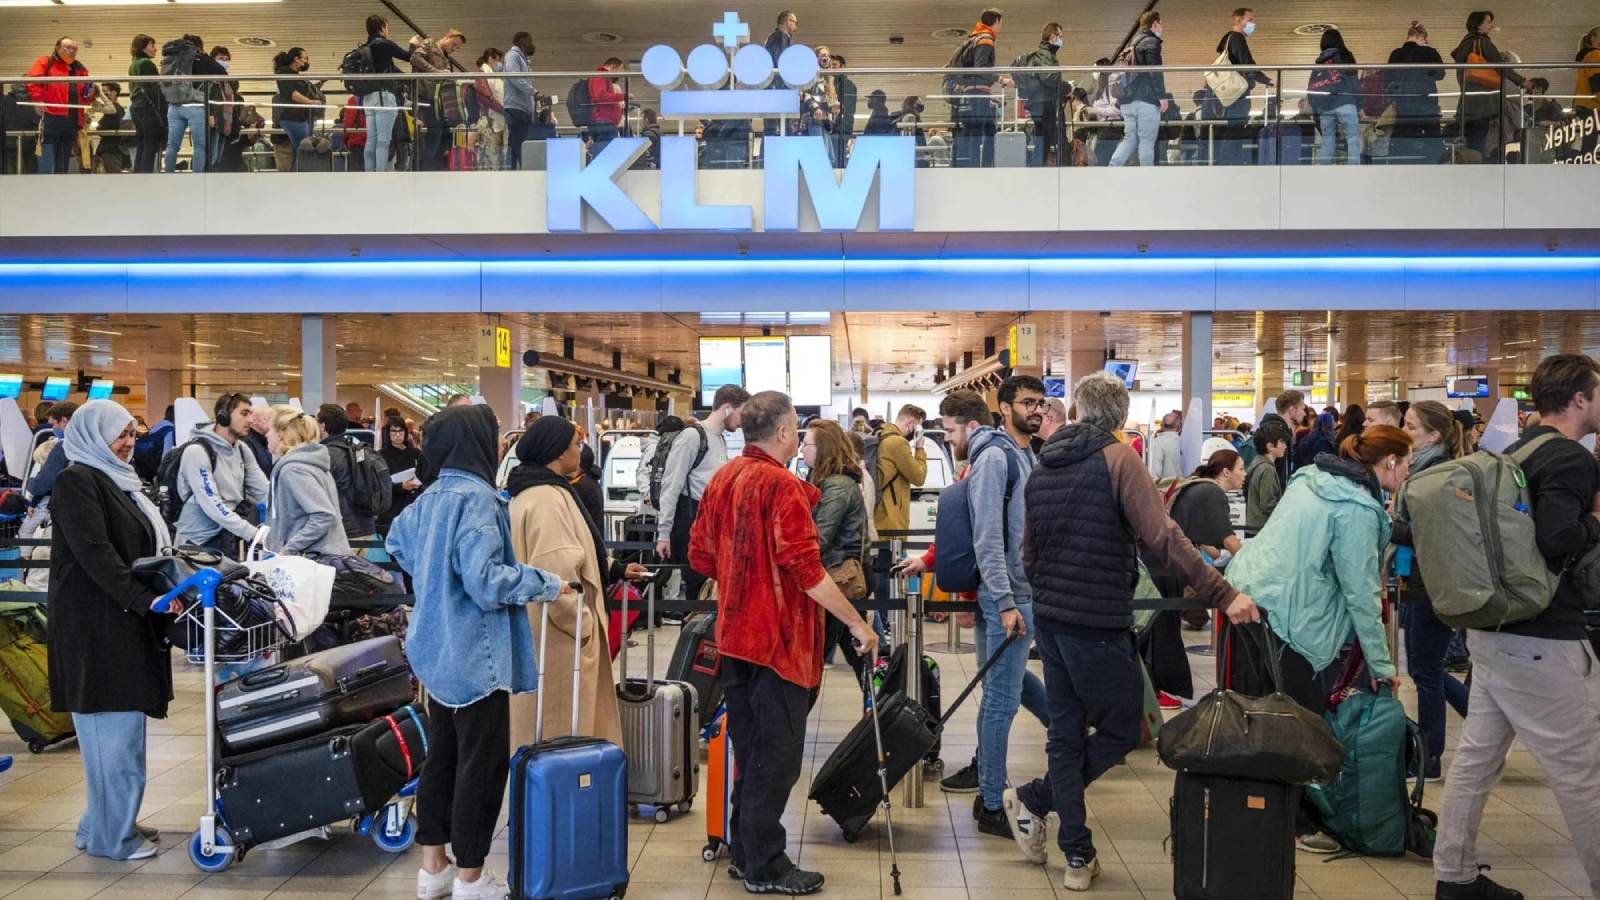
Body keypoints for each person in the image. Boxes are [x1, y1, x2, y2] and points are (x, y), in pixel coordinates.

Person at [1005, 372, 1258, 890]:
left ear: (1075, 411)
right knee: (1125, 729)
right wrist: (1223, 593)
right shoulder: (1119, 460)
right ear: (1120, 418)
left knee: (1066, 732)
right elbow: (1163, 538)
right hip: (1097, 619)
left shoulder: (1043, 466)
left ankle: (1075, 853)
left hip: (1051, 619)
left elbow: (1028, 552)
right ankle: (1037, 800)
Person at [688, 391, 878, 896]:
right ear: (782, 433)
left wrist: (741, 576)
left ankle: (744, 850)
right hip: (779, 642)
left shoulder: (723, 478)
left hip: (733, 636)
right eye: (795, 425)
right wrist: (858, 625)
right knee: (778, 757)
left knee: (750, 749)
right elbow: (808, 572)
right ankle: (766, 865)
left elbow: (700, 556)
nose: (798, 433)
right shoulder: (784, 488)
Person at [1432, 355, 1600, 900]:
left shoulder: (1515, 449)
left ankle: (1454, 875)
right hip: (1544, 636)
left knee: (1477, 757)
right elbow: (1557, 540)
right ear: (1579, 398)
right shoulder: (1572, 459)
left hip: (1495, 626)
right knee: (1582, 771)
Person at [385, 405, 570, 900]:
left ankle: (433, 868)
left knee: (440, 758)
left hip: (433, 649)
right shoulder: (479, 500)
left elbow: (396, 542)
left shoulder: (428, 498)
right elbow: (486, 582)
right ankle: (470, 876)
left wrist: (432, 576)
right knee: (480, 765)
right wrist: (546, 583)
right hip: (477, 655)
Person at [1223, 425, 1411, 854]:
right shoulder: (1357, 509)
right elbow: (1362, 593)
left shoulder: (1311, 478)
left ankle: (1259, 812)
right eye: (1408, 461)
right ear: (1391, 462)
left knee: (1261, 717)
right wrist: (1383, 667)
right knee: (1300, 727)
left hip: (1252, 600)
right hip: (1295, 621)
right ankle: (1298, 822)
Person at [48, 400, 177, 861]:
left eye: (132, 435)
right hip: (96, 628)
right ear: (92, 435)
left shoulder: (117, 482)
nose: (129, 444)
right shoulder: (75, 482)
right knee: (112, 737)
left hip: (119, 621)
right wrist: (145, 599)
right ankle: (112, 838)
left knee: (119, 736)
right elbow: (96, 554)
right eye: (120, 435)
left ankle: (100, 824)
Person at [506, 417, 648, 752]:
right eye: (574, 444)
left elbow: (575, 549)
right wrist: (583, 625)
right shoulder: (548, 499)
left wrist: (613, 569)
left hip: (547, 632)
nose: (579, 451)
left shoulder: (535, 492)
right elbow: (557, 569)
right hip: (559, 641)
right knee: (565, 733)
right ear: (556, 453)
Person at [938, 382, 1041, 838]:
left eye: (1040, 403)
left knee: (1006, 685)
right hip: (1009, 596)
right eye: (1028, 403)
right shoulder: (996, 459)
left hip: (1013, 593)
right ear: (1003, 410)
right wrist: (1004, 601)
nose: (947, 438)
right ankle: (992, 802)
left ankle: (1064, 736)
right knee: (1001, 698)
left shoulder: (1014, 455)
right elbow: (988, 538)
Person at [1387, 401, 1470, 783]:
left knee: (1426, 673)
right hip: (1421, 580)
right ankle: (1489, 718)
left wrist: (1385, 525)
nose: (1405, 431)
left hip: (1431, 584)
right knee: (1429, 668)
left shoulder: (1434, 476)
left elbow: (1427, 535)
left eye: (1411, 426)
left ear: (1434, 435)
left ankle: (1430, 758)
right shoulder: (1425, 472)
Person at [1145, 448, 1246, 708]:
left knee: (1158, 629)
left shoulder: (1196, 487)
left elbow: (1204, 542)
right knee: (1163, 632)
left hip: (1157, 560)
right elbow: (1229, 540)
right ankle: (1155, 691)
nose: (1244, 475)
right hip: (1164, 565)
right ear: (1226, 471)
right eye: (1241, 469)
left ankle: (1153, 690)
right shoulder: (1211, 493)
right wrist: (1252, 562)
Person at [655, 385, 748, 601]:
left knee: (707, 594)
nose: (742, 421)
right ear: (727, 408)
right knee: (696, 594)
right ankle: (691, 635)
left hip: (711, 526)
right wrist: (664, 534)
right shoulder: (692, 437)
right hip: (691, 525)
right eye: (741, 413)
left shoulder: (719, 439)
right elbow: (671, 485)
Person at [800, 420, 871, 679]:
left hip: (840, 577)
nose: (801, 449)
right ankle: (879, 708)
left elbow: (820, 537)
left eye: (806, 443)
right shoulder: (829, 482)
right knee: (858, 654)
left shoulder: (837, 486)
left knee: (823, 657)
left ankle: (881, 709)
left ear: (823, 448)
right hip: (839, 576)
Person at [174, 393, 267, 557]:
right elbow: (212, 505)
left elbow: (264, 491)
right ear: (222, 417)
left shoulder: (241, 450)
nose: (251, 420)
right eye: (244, 414)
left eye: (251, 414)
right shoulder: (197, 452)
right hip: (197, 543)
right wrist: (252, 533)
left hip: (227, 537)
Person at [262, 407, 351, 557]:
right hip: (323, 558)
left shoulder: (294, 469)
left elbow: (324, 515)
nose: (266, 435)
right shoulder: (312, 463)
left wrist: (289, 549)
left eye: (269, 430)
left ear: (281, 434)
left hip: (309, 561)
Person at [873, 404, 929, 600]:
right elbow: (919, 476)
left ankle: (883, 620)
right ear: (911, 423)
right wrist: (920, 449)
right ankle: (886, 621)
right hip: (891, 519)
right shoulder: (897, 443)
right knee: (886, 574)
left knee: (881, 570)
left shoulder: (880, 436)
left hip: (880, 517)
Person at [1451, 11, 1524, 163]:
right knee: (1479, 140)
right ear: (1479, 24)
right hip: (1482, 101)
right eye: (1488, 22)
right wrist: (1521, 81)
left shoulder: (1463, 45)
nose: (1490, 26)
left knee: (1472, 140)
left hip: (1468, 102)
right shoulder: (1481, 41)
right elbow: (1499, 65)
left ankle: (1472, 168)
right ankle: (1479, 173)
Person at [1213, 8, 1273, 166]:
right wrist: (1265, 79)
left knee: (1233, 131)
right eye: (1250, 20)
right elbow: (1246, 63)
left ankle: (1228, 165)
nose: (1253, 23)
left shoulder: (1228, 39)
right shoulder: (1237, 38)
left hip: (1229, 95)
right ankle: (1229, 167)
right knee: (1235, 131)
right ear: (1239, 21)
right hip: (1237, 94)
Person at [26, 37, 93, 175]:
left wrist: (90, 95)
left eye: (74, 48)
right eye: (68, 47)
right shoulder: (45, 62)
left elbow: (85, 97)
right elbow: (32, 80)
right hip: (51, 116)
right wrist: (38, 100)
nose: (72, 51)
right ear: (57, 48)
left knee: (64, 157)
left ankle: (61, 187)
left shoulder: (81, 69)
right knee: (47, 154)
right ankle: (45, 187)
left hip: (73, 120)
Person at [1110, 12, 1168, 168]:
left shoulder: (1133, 43)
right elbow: (1155, 72)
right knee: (1147, 141)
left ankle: (1112, 169)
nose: (1161, 28)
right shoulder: (1151, 42)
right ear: (1154, 24)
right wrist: (1161, 97)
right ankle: (1147, 178)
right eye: (1160, 24)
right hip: (1146, 102)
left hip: (1127, 101)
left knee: (1130, 139)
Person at [358, 15, 414, 173]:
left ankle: (369, 173)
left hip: (368, 98)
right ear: (382, 27)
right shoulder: (384, 44)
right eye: (387, 27)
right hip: (384, 97)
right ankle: (380, 175)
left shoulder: (365, 47)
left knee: (371, 139)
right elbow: (408, 57)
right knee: (383, 141)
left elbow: (391, 69)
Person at [317, 404, 379, 543]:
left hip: (344, 533)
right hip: (365, 526)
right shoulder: (355, 449)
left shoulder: (325, 455)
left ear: (323, 426)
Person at [1387, 21, 1447, 165]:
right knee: (1433, 139)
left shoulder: (1396, 54)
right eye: (1424, 40)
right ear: (1421, 37)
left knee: (1402, 140)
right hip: (1426, 103)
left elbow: (1388, 77)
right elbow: (1440, 74)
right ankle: (1435, 169)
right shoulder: (1429, 52)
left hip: (1404, 105)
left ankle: (1402, 170)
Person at [951, 8, 1004, 168]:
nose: (1001, 26)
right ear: (995, 21)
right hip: (978, 92)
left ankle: (984, 167)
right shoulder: (986, 40)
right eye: (1001, 22)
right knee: (977, 133)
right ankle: (975, 170)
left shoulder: (975, 38)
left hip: (975, 92)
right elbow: (981, 67)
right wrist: (1001, 79)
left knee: (989, 130)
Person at [411, 29, 466, 172]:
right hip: (425, 96)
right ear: (448, 36)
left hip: (437, 100)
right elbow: (415, 58)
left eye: (457, 48)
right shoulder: (430, 44)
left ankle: (432, 169)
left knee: (439, 135)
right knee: (432, 135)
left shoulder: (446, 58)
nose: (454, 49)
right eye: (454, 44)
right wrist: (437, 72)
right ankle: (426, 170)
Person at [1309, 29, 1361, 166]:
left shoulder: (1319, 62)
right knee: (1352, 137)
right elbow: (1353, 80)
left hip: (1326, 106)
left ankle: (1325, 169)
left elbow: (1313, 89)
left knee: (1327, 139)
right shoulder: (1345, 56)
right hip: (1345, 101)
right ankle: (1354, 169)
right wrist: (1359, 104)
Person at [1015, 23, 1064, 167]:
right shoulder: (1045, 54)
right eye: (1061, 36)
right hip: (1045, 103)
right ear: (1053, 37)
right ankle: (1065, 172)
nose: (1062, 40)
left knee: (1042, 141)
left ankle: (1038, 172)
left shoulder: (1042, 53)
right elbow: (1048, 77)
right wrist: (1065, 85)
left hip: (1037, 103)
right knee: (1057, 139)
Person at [273, 48, 320, 171]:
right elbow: (292, 94)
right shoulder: (284, 73)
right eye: (304, 58)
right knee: (303, 149)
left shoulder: (296, 76)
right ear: (296, 59)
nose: (306, 61)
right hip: (292, 118)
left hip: (301, 117)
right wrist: (311, 102)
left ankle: (295, 178)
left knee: (298, 151)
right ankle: (298, 179)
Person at [379, 414, 423, 532]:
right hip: (392, 509)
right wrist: (400, 487)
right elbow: (378, 485)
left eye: (401, 431)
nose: (398, 435)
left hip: (413, 505)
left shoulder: (416, 453)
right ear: (388, 433)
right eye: (393, 431)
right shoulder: (380, 456)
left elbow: (424, 475)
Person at [1245, 418, 1291, 530]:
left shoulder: (1257, 463)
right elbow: (1267, 505)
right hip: (1262, 527)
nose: (1285, 446)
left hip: (1254, 524)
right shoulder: (1267, 470)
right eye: (1282, 442)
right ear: (1270, 446)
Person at [128, 35, 163, 174]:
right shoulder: (146, 64)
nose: (155, 49)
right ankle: (146, 173)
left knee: (142, 142)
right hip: (147, 105)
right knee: (150, 142)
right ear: (143, 47)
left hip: (136, 105)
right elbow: (153, 89)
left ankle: (139, 173)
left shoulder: (133, 64)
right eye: (152, 45)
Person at [470, 48, 507, 171]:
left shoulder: (493, 76)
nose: (499, 64)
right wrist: (504, 110)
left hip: (497, 121)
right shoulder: (482, 75)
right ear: (491, 59)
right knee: (489, 158)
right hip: (488, 123)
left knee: (497, 157)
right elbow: (487, 98)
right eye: (498, 60)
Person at [503, 32, 535, 170]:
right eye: (530, 41)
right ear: (522, 42)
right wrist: (534, 91)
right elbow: (514, 77)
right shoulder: (512, 56)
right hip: (516, 106)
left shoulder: (522, 59)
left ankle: (512, 171)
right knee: (519, 142)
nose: (532, 45)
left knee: (515, 141)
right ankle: (522, 171)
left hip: (522, 107)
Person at [587, 58, 627, 160]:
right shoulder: (601, 76)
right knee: (607, 157)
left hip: (604, 123)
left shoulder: (602, 77)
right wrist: (622, 96)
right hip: (604, 124)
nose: (620, 75)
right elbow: (600, 96)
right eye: (620, 71)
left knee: (606, 156)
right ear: (613, 67)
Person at [830, 53, 857, 164]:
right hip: (833, 128)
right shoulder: (829, 83)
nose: (832, 67)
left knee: (837, 158)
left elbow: (846, 108)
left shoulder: (847, 85)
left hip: (841, 129)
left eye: (835, 65)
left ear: (842, 67)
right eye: (831, 65)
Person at [1145, 411, 1183, 481]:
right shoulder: (1186, 442)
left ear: (1161, 425)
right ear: (1179, 426)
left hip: (1166, 489)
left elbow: (1154, 473)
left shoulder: (1156, 443)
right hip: (1187, 487)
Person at [1575, 27, 1600, 127]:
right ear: (1593, 38)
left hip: (1585, 105)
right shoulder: (1595, 55)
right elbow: (1597, 82)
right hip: (1594, 106)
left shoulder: (1588, 56)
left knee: (1589, 140)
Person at [241, 401, 274, 477]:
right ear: (254, 421)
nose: (272, 422)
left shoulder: (266, 440)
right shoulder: (247, 442)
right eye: (267, 418)